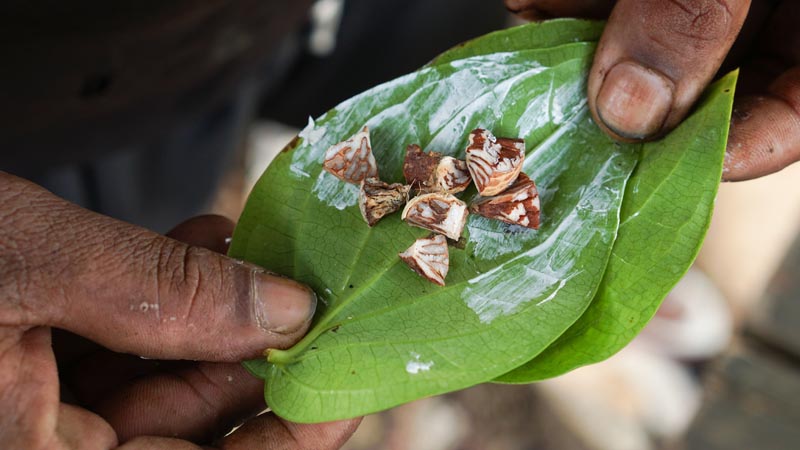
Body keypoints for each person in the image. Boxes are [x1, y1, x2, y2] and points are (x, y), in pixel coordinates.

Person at [1, 0, 798, 448]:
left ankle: (586, 262)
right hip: (73, 91)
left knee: (422, 43)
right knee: (131, 229)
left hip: (283, 21)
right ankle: (579, 267)